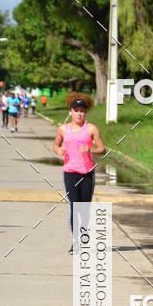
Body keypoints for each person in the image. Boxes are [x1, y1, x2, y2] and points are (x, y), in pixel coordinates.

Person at [52, 92, 106, 253]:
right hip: (70, 173)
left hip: (87, 173)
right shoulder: (63, 129)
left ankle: (84, 233)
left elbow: (103, 149)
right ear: (70, 112)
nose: (79, 113)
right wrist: (59, 150)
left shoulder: (91, 129)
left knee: (84, 208)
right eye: (76, 110)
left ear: (85, 112)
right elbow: (55, 145)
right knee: (74, 206)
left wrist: (91, 150)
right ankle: (75, 242)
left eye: (82, 110)